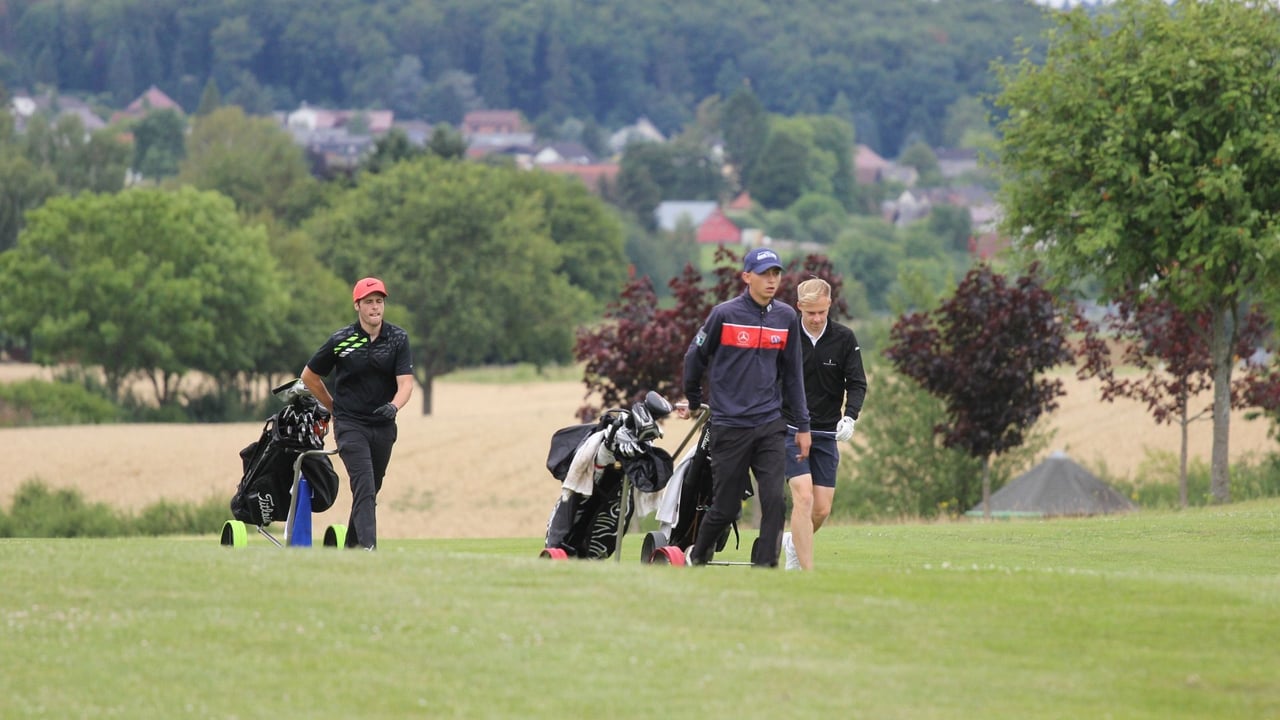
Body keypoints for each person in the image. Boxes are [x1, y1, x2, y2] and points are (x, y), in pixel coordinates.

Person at [675, 247, 810, 568]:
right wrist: (693, 400)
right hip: (729, 426)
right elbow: (695, 358)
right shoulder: (724, 314)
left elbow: (794, 376)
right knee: (725, 507)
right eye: (764, 274)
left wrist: (803, 426)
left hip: (769, 425)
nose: (771, 280)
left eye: (776, 274)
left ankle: (766, 568)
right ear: (746, 276)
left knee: (775, 501)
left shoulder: (786, 317)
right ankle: (698, 555)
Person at [301, 277, 414, 551]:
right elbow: (310, 376)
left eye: (379, 302)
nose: (375, 307)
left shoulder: (398, 339)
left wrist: (394, 406)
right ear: (357, 306)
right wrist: (333, 408)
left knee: (371, 488)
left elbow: (406, 383)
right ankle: (368, 549)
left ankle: (352, 548)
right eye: (369, 302)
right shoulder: (341, 340)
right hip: (351, 425)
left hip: (383, 425)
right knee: (363, 484)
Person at [781, 278, 867, 571]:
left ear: (829, 305)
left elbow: (856, 383)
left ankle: (793, 543)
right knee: (803, 498)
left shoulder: (844, 338)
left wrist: (850, 416)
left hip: (827, 433)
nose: (817, 319)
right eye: (810, 313)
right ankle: (806, 573)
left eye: (822, 312)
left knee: (821, 509)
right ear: (799, 307)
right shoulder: (785, 336)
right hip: (790, 431)